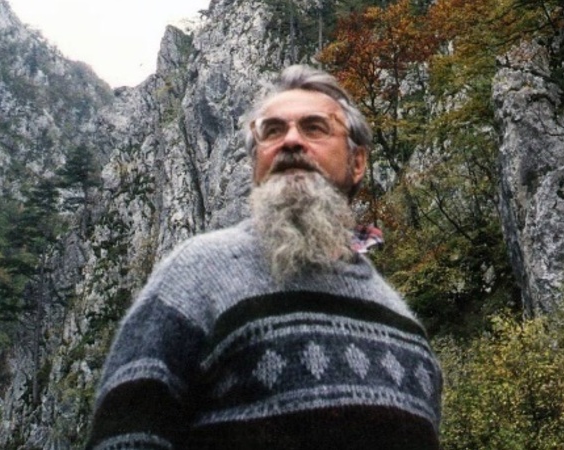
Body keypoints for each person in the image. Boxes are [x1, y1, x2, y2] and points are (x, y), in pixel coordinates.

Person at [86, 65, 442, 450]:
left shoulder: (406, 332)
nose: (291, 141)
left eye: (315, 128)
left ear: (357, 163)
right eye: (272, 131)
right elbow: (123, 437)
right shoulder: (197, 276)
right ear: (255, 162)